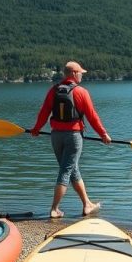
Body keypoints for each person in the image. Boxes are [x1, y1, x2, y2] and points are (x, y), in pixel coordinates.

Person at [30, 61, 111, 218]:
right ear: (74, 74)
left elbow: (44, 112)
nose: (82, 75)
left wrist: (36, 129)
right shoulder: (81, 92)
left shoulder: (53, 90)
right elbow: (92, 116)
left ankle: (87, 204)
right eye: (80, 72)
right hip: (73, 136)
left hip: (55, 136)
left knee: (72, 169)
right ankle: (54, 208)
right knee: (66, 170)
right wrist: (103, 134)